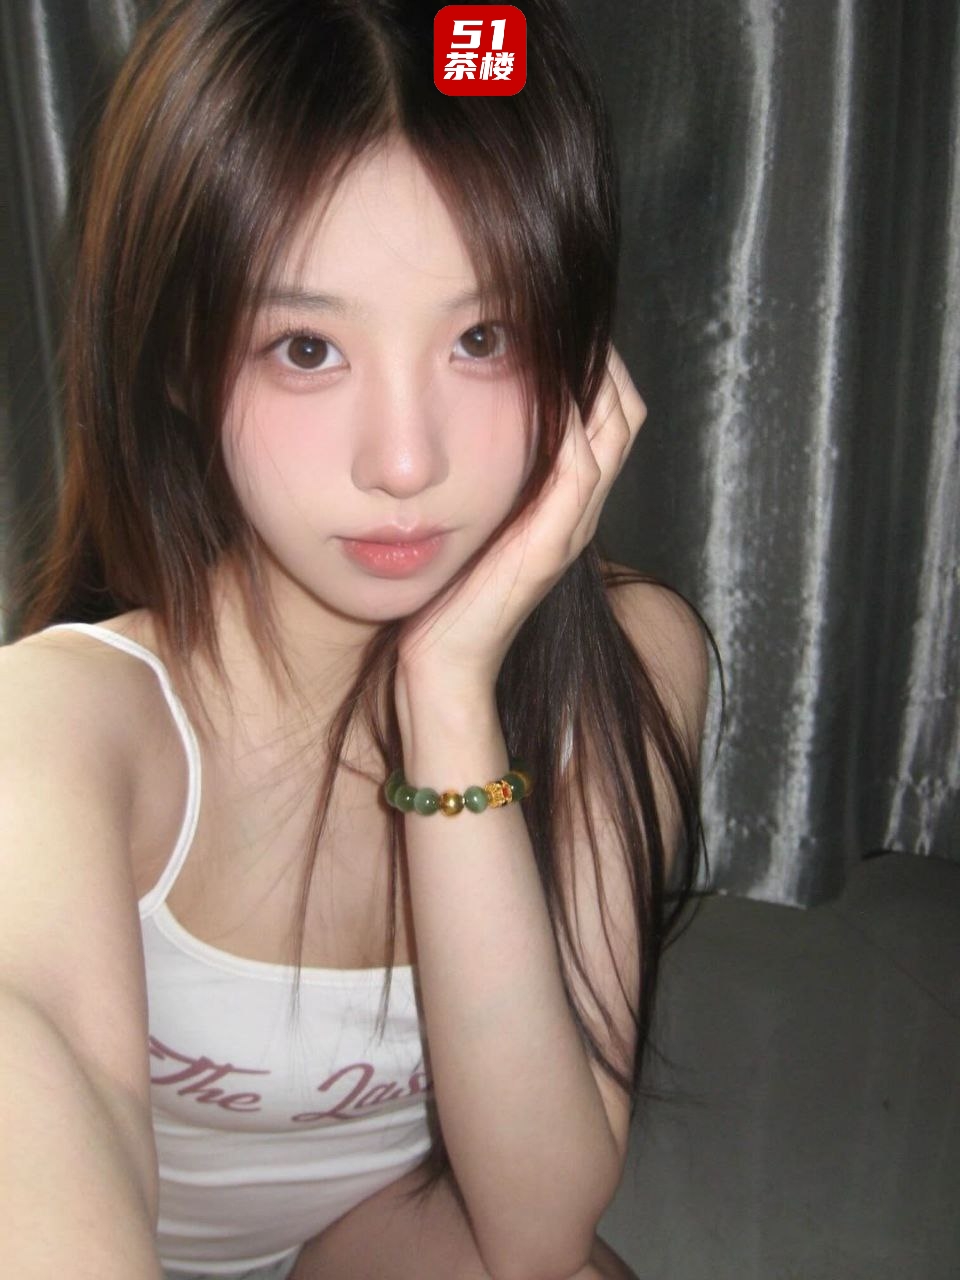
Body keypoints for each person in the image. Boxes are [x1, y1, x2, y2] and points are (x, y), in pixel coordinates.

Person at [0, 1, 710, 1277]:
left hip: (369, 1238)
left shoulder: (632, 662)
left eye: (483, 337)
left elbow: (534, 1227)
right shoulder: (56, 726)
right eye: (307, 347)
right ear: (178, 362)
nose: (404, 461)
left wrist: (450, 689)